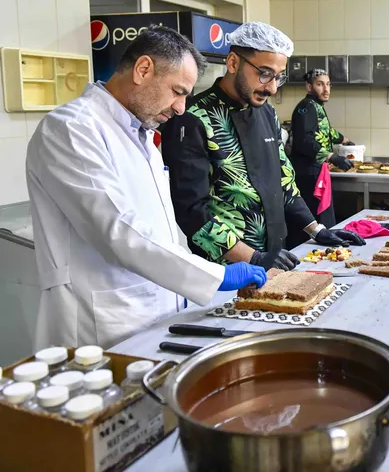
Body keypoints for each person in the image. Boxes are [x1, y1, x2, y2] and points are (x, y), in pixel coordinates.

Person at [26, 26, 267, 349]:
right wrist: (214, 275)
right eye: (178, 91)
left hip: (155, 311)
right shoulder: (72, 128)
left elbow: (159, 229)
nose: (181, 107)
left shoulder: (141, 135)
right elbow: (117, 230)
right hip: (100, 322)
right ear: (143, 69)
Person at [160, 22, 364, 275]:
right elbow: (191, 210)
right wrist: (253, 257)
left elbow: (284, 180)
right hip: (227, 270)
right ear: (233, 63)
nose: (272, 88)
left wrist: (317, 230)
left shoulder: (266, 112)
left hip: (276, 256)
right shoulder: (191, 119)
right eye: (265, 74)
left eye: (278, 77)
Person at [288, 68, 353, 243]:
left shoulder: (316, 106)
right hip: (307, 172)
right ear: (309, 87)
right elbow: (304, 140)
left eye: (328, 84)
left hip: (317, 171)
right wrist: (331, 156)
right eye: (320, 84)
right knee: (314, 218)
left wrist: (344, 140)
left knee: (323, 217)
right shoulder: (306, 107)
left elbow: (325, 130)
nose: (326, 89)